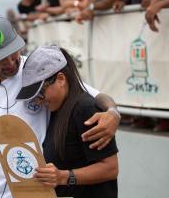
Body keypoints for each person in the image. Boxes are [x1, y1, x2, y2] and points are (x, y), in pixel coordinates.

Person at [0, 14, 120, 198]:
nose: (11, 63)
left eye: (13, 52)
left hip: (34, 192)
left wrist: (113, 113)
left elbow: (94, 95)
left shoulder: (38, 70)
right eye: (1, 59)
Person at [16, 45, 118, 198]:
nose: (38, 101)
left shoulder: (86, 109)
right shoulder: (57, 108)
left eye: (40, 93)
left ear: (61, 79)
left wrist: (63, 177)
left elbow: (110, 168)